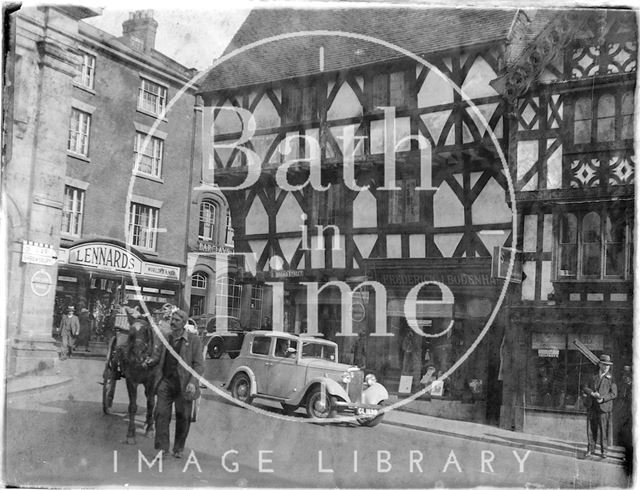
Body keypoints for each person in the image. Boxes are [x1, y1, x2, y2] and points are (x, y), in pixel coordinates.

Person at [145, 309, 204, 458]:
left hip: (184, 385)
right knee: (160, 413)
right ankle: (162, 448)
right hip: (166, 382)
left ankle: (178, 448)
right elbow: (157, 357)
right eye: (172, 319)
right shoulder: (165, 337)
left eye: (177, 320)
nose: (172, 322)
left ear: (184, 324)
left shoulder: (194, 340)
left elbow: (199, 365)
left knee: (183, 417)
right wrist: (149, 361)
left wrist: (193, 382)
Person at [582, 354, 617, 459]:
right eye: (604, 364)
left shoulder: (611, 378)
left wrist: (603, 399)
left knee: (603, 430)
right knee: (591, 430)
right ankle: (590, 450)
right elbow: (584, 387)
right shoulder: (592, 376)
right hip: (592, 407)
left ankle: (604, 451)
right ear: (600, 365)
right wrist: (592, 393)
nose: (606, 367)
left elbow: (614, 394)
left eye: (608, 365)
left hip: (604, 408)